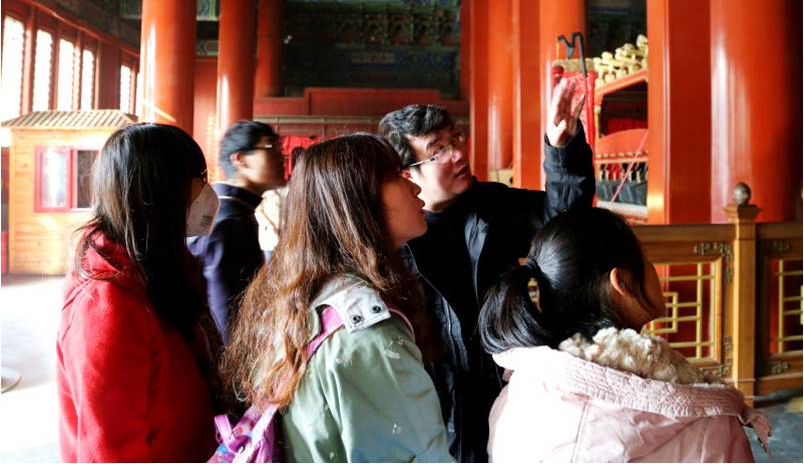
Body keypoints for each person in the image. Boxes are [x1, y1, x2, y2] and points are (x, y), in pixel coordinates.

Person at [378, 78, 594, 461]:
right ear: (408, 173)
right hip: (436, 401)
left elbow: (562, 221)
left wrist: (561, 148)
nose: (458, 154)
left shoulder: (491, 205)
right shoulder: (392, 240)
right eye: (438, 149)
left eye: (455, 139)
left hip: (506, 380)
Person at [222, 134, 453, 462]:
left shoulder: (302, 296)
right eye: (394, 176)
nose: (414, 187)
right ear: (356, 201)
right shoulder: (366, 330)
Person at [478, 207, 770, 462]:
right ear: (623, 283)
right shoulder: (709, 425)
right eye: (646, 259)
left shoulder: (515, 395)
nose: (653, 269)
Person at [58, 123, 221, 462]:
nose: (208, 191)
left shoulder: (163, 267)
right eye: (199, 178)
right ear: (161, 189)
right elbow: (110, 449)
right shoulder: (106, 304)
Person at [189, 120, 286, 344]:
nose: (281, 157)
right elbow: (227, 322)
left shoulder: (228, 210)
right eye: (270, 147)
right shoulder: (229, 223)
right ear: (240, 159)